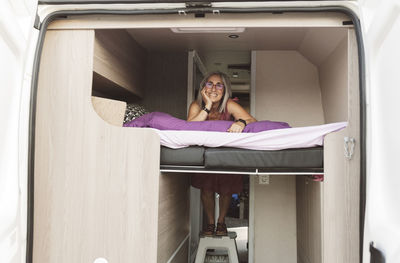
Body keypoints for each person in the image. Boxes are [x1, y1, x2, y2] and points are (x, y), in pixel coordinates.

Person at [187, 71, 257, 236]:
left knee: (226, 190)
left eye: (219, 85)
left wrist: (240, 122)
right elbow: (190, 126)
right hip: (204, 153)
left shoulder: (230, 105)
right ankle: (211, 222)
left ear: (225, 89)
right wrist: (207, 105)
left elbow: (252, 120)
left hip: (226, 153)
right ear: (204, 87)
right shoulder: (196, 105)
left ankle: (221, 222)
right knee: (206, 190)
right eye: (209, 83)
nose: (214, 88)